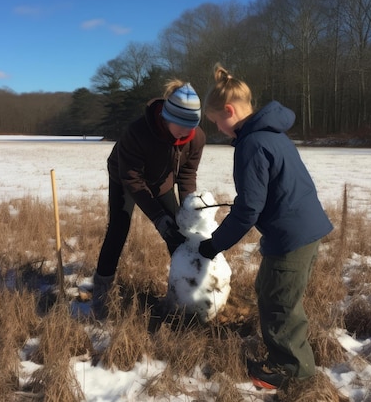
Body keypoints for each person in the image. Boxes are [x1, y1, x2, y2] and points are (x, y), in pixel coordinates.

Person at [198, 63, 333, 390]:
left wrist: (214, 244)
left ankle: (293, 373)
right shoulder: (272, 134)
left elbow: (247, 210)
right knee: (271, 290)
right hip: (300, 230)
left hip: (291, 235)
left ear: (229, 111)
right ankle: (291, 361)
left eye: (217, 122)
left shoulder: (252, 144)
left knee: (279, 303)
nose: (218, 130)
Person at [92, 81, 206, 320]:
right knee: (118, 228)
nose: (187, 133)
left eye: (192, 127)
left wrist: (189, 209)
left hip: (162, 181)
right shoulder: (138, 132)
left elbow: (186, 174)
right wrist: (157, 217)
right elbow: (133, 179)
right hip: (125, 179)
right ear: (166, 117)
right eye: (182, 126)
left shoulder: (196, 138)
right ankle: (102, 291)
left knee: (178, 230)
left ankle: (185, 292)